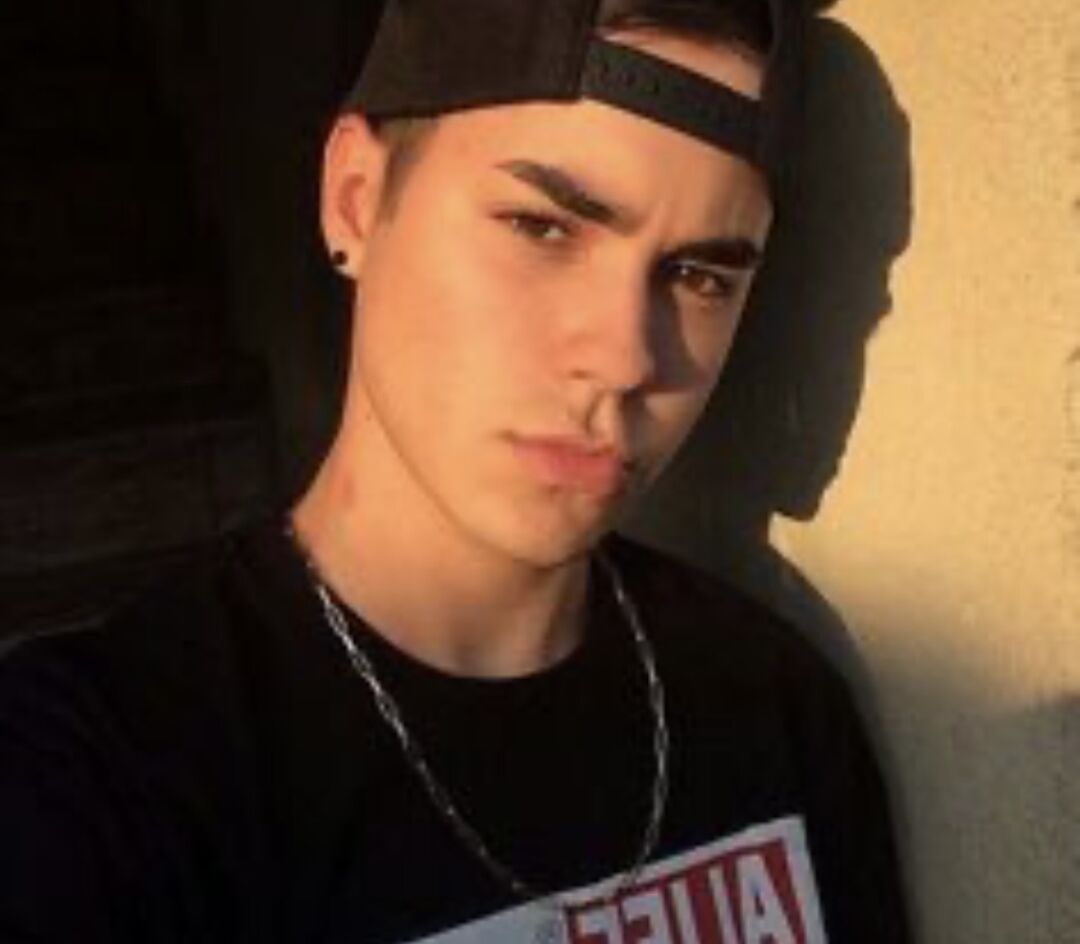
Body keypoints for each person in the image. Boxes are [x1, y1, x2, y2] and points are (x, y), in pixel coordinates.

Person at [0, 0, 912, 941]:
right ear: (356, 197)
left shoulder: (772, 708)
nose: (625, 359)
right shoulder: (97, 782)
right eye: (542, 228)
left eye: (698, 277)